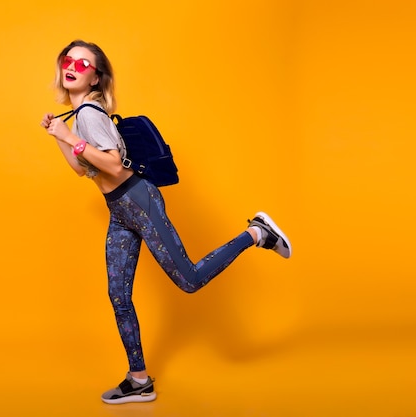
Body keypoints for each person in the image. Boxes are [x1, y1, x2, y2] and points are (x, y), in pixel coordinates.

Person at [40, 39, 292, 405]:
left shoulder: (90, 115)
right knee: (119, 295)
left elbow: (113, 164)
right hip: (120, 209)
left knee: (188, 280)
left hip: (138, 200)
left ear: (95, 78)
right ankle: (138, 379)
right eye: (68, 60)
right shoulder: (78, 117)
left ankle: (257, 232)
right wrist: (59, 138)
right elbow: (83, 170)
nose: (73, 66)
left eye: (83, 63)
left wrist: (70, 139)